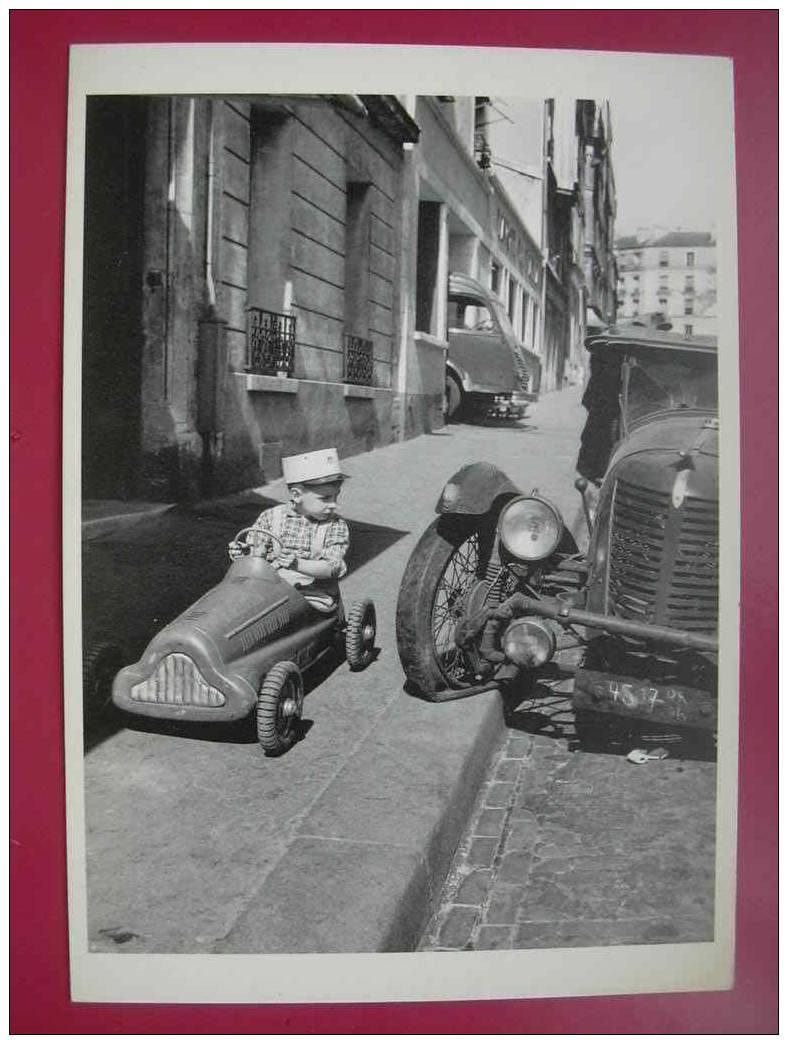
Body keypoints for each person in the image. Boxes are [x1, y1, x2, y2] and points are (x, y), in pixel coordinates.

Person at [229, 447, 350, 612]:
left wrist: (297, 563)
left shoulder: (335, 526)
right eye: (325, 498)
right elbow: (256, 554)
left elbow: (331, 567)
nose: (333, 505)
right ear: (296, 495)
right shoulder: (271, 517)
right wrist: (243, 553)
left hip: (313, 594)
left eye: (336, 496)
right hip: (269, 588)